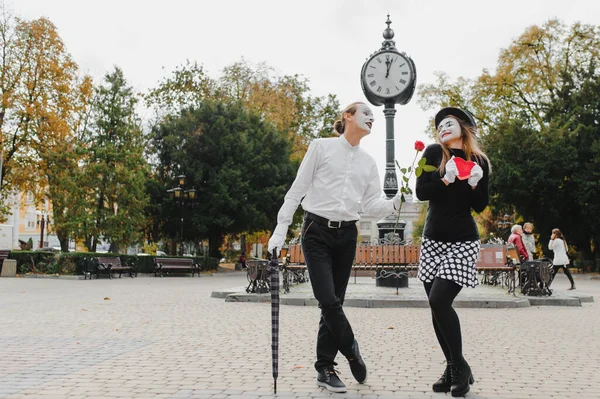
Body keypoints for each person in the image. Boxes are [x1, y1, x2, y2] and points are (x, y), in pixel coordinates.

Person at [267, 102, 401, 393]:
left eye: (373, 116)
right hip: (316, 231)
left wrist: (393, 204)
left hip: (347, 236)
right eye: (366, 113)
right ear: (348, 116)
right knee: (326, 298)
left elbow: (370, 206)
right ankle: (351, 349)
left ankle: (325, 368)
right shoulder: (321, 147)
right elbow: (297, 190)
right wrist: (280, 229)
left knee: (334, 302)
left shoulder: (368, 162)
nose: (371, 118)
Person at [416, 107, 490, 397]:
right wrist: (444, 179)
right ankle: (454, 368)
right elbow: (421, 191)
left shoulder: (479, 161)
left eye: (448, 124)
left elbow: (480, 206)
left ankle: (459, 368)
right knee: (436, 307)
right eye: (439, 126)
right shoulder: (434, 153)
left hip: (463, 241)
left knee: (439, 300)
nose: (442, 129)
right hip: (433, 240)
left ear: (463, 127)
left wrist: (474, 184)